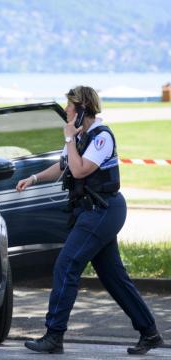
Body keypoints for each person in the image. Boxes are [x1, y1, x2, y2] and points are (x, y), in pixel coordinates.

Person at [17, 86, 163, 355]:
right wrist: (34, 178)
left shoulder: (100, 137)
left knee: (67, 265)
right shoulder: (80, 134)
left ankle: (54, 336)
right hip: (92, 211)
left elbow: (80, 169)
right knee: (113, 276)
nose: (66, 111)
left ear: (82, 108)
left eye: (69, 106)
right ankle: (150, 332)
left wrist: (70, 139)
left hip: (104, 210)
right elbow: (64, 166)